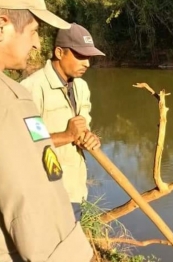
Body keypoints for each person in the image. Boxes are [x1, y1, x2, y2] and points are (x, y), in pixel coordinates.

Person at [0, 0, 93, 261]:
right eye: (33, 31)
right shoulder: (19, 95)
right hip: (44, 221)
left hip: (72, 190)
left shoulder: (81, 88)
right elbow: (25, 195)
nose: (37, 44)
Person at [21, 23, 105, 221]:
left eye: (89, 58)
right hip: (46, 193)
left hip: (75, 188)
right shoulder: (32, 89)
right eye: (80, 56)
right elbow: (26, 142)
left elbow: (84, 128)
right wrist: (67, 135)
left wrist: (90, 138)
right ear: (59, 52)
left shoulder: (81, 87)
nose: (86, 63)